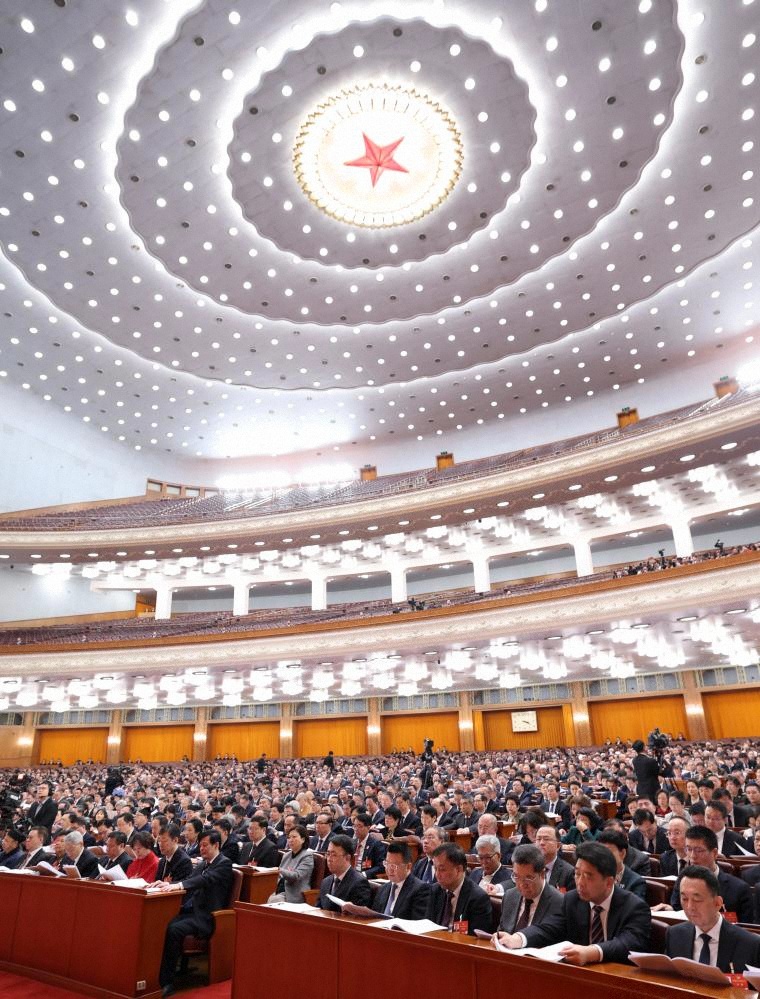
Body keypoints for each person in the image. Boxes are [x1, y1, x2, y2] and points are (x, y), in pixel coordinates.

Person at [156, 830, 234, 998]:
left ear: (216, 845)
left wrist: (179, 886)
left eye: (205, 845)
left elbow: (204, 880)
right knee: (163, 922)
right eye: (200, 845)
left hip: (208, 916)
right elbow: (189, 879)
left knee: (174, 929)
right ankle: (162, 973)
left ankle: (167, 982)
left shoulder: (224, 863)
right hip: (193, 910)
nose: (201, 849)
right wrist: (166, 884)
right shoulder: (202, 864)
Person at [559, 841, 652, 965]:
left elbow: (629, 943)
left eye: (588, 876)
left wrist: (592, 952)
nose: (580, 883)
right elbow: (552, 928)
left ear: (608, 882)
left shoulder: (634, 906)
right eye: (577, 874)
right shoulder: (571, 899)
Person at [665, 866, 760, 972]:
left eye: (697, 899)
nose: (689, 907)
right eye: (684, 899)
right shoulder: (674, 935)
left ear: (718, 903)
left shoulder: (750, 944)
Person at [666, 826, 754, 923]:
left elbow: (745, 928)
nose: (692, 856)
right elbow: (677, 909)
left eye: (699, 850)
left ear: (714, 853)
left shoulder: (739, 889)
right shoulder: (683, 879)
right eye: (689, 849)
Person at [496, 844, 566, 948]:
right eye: (516, 876)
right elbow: (502, 931)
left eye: (528, 878)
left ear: (542, 874)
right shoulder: (510, 896)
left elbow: (548, 936)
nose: (521, 884)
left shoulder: (558, 902)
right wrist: (498, 938)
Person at [425, 842, 493, 935]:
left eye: (442, 869)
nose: (437, 875)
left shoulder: (477, 898)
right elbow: (428, 925)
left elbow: (475, 937)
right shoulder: (435, 890)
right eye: (435, 869)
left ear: (458, 869)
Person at [365, 842, 430, 919]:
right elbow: (374, 917)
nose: (390, 869)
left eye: (394, 866)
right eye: (387, 864)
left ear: (408, 866)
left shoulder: (420, 890)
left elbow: (416, 922)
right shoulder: (382, 889)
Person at [317, 833, 372, 911]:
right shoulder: (326, 882)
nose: (329, 859)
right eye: (328, 854)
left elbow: (360, 914)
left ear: (347, 858)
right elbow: (318, 909)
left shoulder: (359, 883)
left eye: (334, 855)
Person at [596, 829, 647, 901]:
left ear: (622, 853)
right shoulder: (595, 876)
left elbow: (635, 907)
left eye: (608, 852)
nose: (603, 856)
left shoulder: (636, 882)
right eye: (601, 852)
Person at [269, 825, 314, 904]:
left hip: (294, 893)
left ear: (303, 839)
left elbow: (297, 876)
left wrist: (279, 870)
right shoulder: (286, 855)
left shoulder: (307, 856)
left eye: (294, 837)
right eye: (289, 837)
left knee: (274, 900)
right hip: (279, 890)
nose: (290, 840)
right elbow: (279, 877)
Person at [535, 824, 575, 890]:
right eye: (538, 839)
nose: (541, 843)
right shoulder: (529, 867)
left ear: (558, 846)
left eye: (546, 839)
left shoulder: (569, 872)